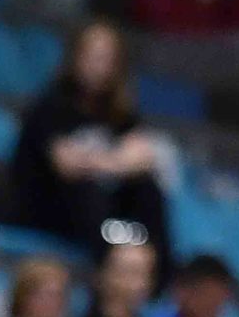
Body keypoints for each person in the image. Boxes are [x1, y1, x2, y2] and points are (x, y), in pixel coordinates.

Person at [10, 17, 170, 269]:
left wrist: (95, 162)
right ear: (75, 57)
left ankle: (156, 272)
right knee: (85, 189)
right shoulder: (51, 105)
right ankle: (110, 269)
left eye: (107, 58)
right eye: (93, 56)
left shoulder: (120, 114)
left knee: (148, 191)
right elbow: (67, 165)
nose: (99, 65)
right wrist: (118, 161)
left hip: (102, 217)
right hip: (47, 208)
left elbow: (144, 158)